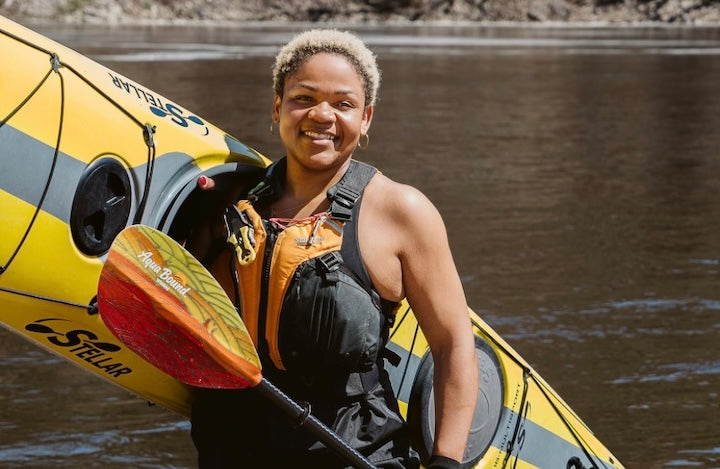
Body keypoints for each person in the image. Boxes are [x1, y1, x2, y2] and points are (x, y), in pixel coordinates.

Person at [189, 29, 478, 469]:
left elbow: (453, 343)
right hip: (229, 451)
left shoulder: (402, 212)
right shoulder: (229, 204)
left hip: (356, 454)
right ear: (277, 107)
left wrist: (446, 462)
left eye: (343, 104)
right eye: (303, 98)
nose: (321, 115)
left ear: (366, 119)